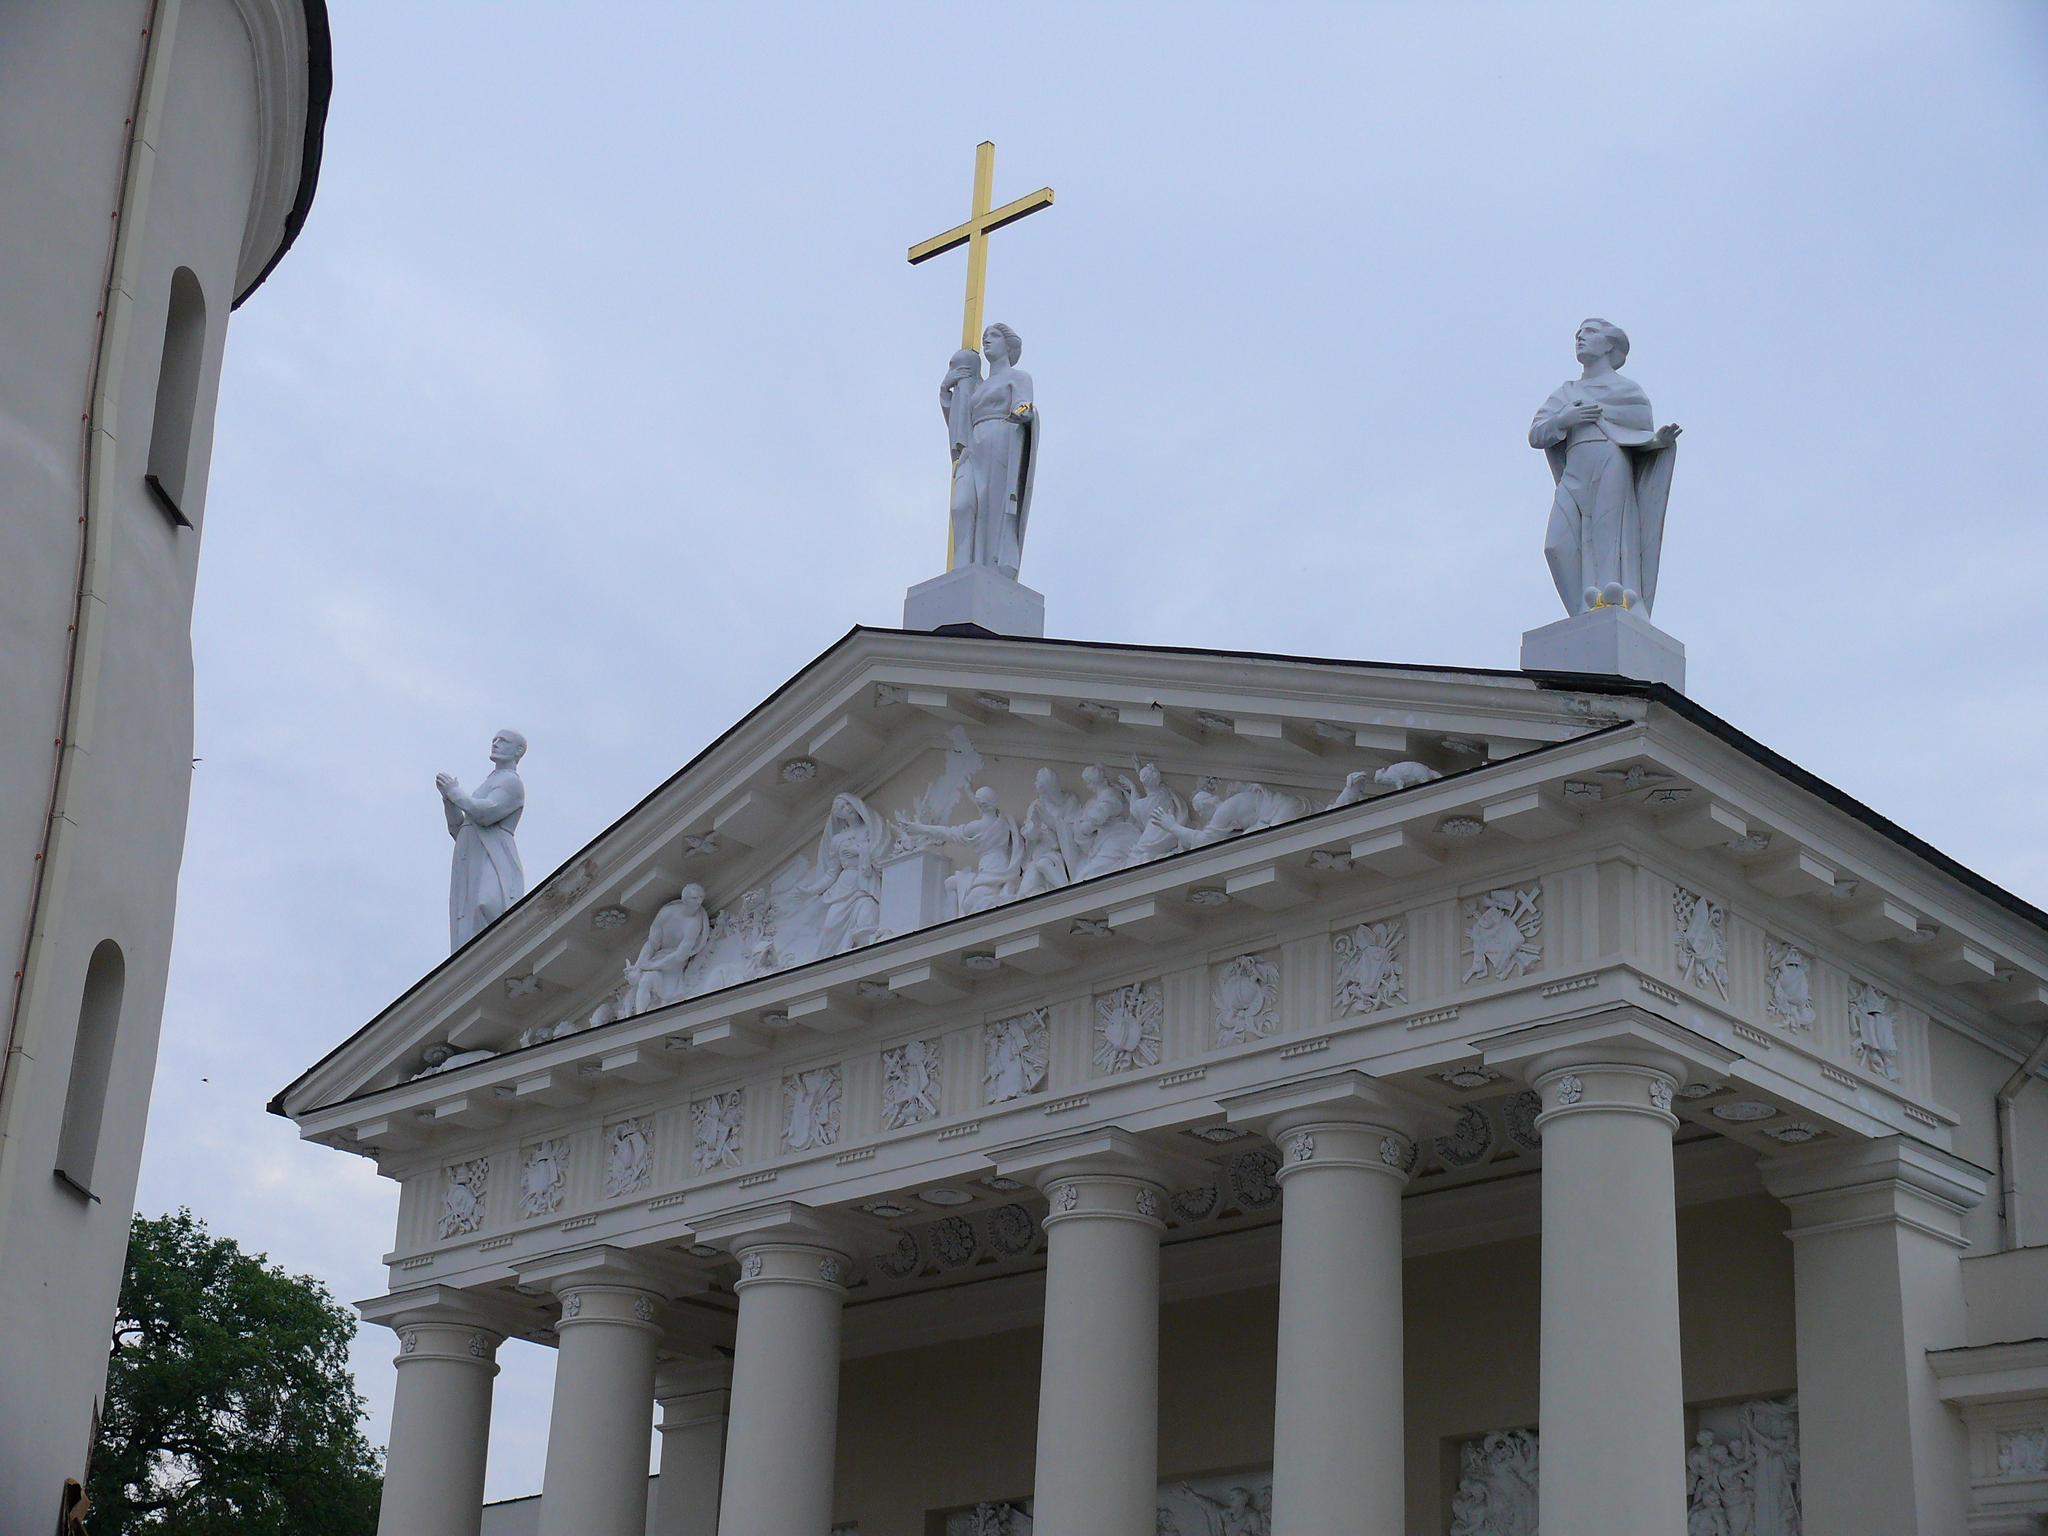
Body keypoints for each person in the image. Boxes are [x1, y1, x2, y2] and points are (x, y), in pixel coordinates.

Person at [1530, 318, 1681, 618]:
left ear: (1610, 344)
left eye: (1590, 332)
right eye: (1578, 333)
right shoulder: (1566, 393)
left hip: (1611, 461)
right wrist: (1563, 420)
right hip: (1574, 472)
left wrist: (1656, 442)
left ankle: (1608, 603)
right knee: (1557, 546)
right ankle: (1583, 611)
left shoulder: (1628, 391)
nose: (1580, 337)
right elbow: (1536, 435)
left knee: (1607, 539)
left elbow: (1635, 435)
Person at [941, 322, 1038, 576]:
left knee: (993, 506)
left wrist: (1022, 413)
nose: (986, 340)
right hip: (974, 446)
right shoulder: (976, 386)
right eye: (985, 336)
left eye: (993, 336)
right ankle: (962, 567)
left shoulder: (1018, 377)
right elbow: (959, 421)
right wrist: (946, 390)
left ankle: (992, 566)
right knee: (961, 506)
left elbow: (1025, 404)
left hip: (1001, 438)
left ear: (1008, 344)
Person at [437, 729, 526, 950]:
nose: (495, 743)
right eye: (494, 740)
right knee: (467, 914)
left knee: (487, 904)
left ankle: (498, 954)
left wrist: (455, 792)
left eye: (503, 740)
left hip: (494, 853)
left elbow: (485, 813)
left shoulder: (511, 781)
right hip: (471, 855)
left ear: (518, 750)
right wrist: (448, 800)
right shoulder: (491, 780)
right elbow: (459, 830)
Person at [896, 785, 1025, 915]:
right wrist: (970, 793)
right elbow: (985, 810)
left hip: (990, 870)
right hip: (1003, 865)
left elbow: (948, 833)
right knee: (955, 886)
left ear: (982, 805)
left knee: (969, 905)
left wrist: (920, 828)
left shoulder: (977, 827)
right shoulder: (1003, 820)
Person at [623, 884, 710, 1015]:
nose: (699, 902)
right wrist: (637, 966)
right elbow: (652, 943)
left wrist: (653, 965)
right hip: (659, 956)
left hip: (673, 963)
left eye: (701, 898)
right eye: (694, 898)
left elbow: (680, 955)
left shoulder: (694, 923)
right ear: (685, 899)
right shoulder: (667, 913)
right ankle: (640, 1016)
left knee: (661, 988)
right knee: (645, 981)